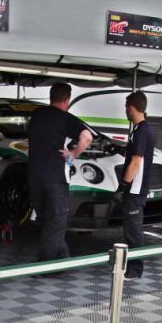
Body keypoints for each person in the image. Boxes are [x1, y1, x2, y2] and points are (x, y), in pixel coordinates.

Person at [27, 82, 93, 264]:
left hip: (34, 176)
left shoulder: (36, 115)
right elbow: (87, 137)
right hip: (55, 178)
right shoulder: (65, 118)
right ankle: (45, 267)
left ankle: (63, 260)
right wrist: (73, 154)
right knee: (55, 223)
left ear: (51, 96)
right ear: (67, 99)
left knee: (48, 221)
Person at [121, 91, 155, 280]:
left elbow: (136, 162)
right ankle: (132, 267)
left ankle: (135, 271)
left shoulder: (142, 131)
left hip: (135, 189)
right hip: (137, 189)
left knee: (133, 231)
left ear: (131, 108)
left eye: (126, 107)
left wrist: (123, 184)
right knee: (131, 229)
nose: (125, 110)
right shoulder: (143, 129)